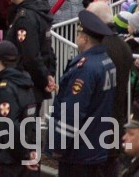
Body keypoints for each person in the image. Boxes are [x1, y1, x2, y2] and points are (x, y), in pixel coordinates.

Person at [49, 11, 117, 175]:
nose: (77, 37)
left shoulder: (85, 68)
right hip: (96, 144)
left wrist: (59, 145)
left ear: (84, 38)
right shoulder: (106, 61)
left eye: (79, 33)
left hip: (79, 151)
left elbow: (73, 111)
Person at [0, 41, 40, 173]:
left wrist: (25, 155)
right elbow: (32, 121)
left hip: (5, 160)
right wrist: (31, 149)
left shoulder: (5, 89)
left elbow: (9, 126)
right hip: (19, 157)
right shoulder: (25, 83)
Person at [3, 0, 57, 105]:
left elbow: (30, 55)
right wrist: (47, 74)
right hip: (34, 80)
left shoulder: (25, 17)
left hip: (26, 83)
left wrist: (44, 79)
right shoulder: (39, 10)